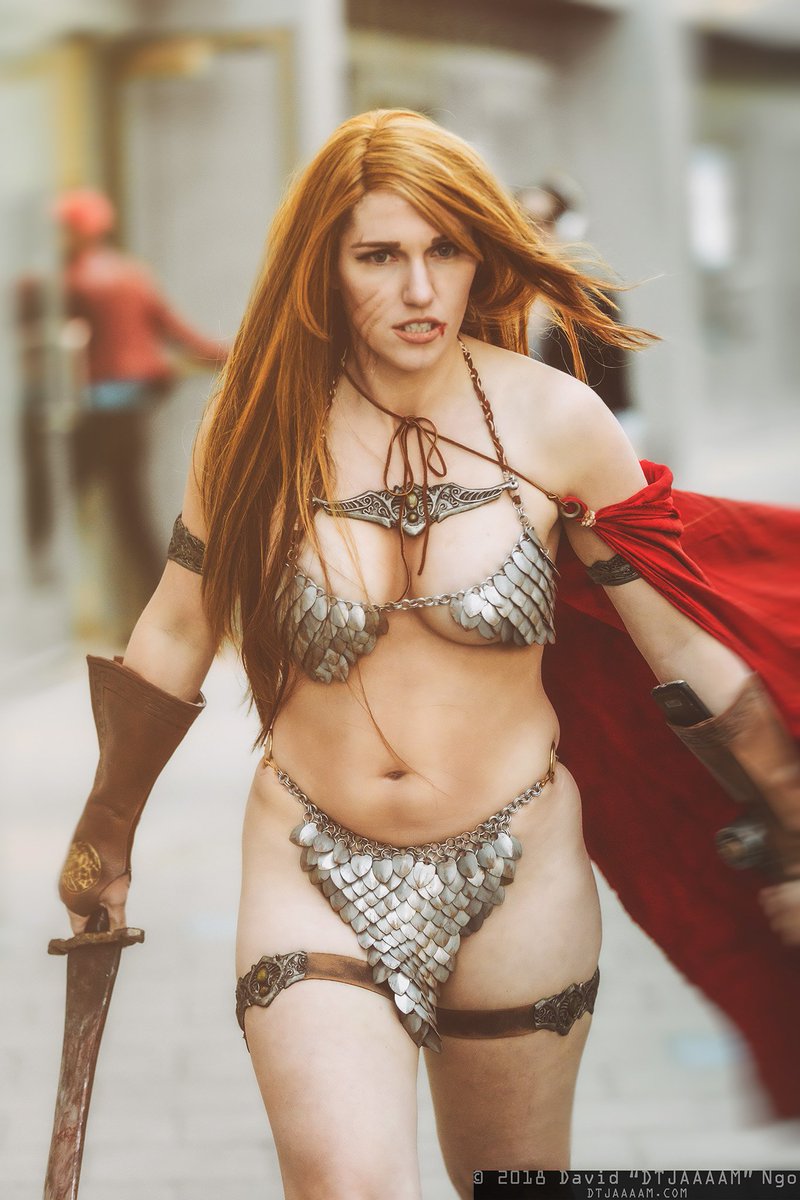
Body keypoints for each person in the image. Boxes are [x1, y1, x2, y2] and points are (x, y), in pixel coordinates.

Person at [58, 111, 800, 1197]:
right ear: (324, 267)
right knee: (348, 1183)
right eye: (377, 256)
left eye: (444, 250)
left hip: (521, 870)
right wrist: (102, 836)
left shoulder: (558, 421)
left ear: (480, 257)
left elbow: (683, 644)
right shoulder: (254, 427)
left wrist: (791, 828)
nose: (417, 289)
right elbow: (176, 626)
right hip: (309, 859)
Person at [54, 188, 229, 615]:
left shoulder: (71, 282)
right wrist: (233, 354)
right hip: (133, 406)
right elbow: (180, 334)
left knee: (61, 505)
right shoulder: (133, 275)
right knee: (130, 512)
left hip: (94, 410)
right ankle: (158, 606)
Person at [517, 179, 635, 421]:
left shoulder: (595, 302)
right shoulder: (491, 302)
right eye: (524, 221)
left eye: (546, 220)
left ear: (566, 227)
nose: (535, 232)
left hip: (582, 432)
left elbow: (617, 393)